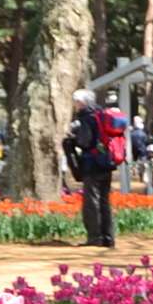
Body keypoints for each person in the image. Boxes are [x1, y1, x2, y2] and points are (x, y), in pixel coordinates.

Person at [62, 89, 119, 248]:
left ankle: (95, 237)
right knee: (104, 201)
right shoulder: (101, 115)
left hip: (92, 164)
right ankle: (108, 237)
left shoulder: (86, 118)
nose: (75, 105)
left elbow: (85, 142)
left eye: (76, 102)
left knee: (91, 201)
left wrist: (73, 139)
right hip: (106, 163)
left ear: (82, 102)